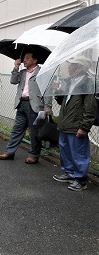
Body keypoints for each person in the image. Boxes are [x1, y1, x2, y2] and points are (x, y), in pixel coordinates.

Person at [0, 51, 52, 163]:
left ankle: (34, 155)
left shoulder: (42, 73)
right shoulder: (22, 72)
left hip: (35, 106)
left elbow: (47, 91)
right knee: (16, 130)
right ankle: (9, 152)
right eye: (24, 58)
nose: (24, 60)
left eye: (27, 58)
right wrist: (15, 68)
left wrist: (47, 107)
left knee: (34, 133)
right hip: (21, 104)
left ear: (35, 60)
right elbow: (13, 81)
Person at [52, 57, 97, 191]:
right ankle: (70, 173)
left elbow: (90, 108)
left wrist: (84, 127)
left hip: (76, 125)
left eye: (73, 66)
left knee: (79, 153)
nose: (69, 68)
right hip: (66, 123)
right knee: (65, 150)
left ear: (80, 68)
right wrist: (59, 92)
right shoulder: (70, 82)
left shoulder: (88, 83)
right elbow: (62, 102)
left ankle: (81, 179)